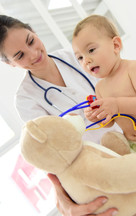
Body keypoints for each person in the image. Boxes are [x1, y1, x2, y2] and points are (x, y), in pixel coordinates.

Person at [0, 15, 119, 216]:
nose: (33, 54)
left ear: (35, 32)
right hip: (94, 166)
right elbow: (54, 152)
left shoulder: (76, 57)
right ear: (10, 64)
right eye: (20, 56)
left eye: (31, 41)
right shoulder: (26, 100)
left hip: (127, 135)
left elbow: (119, 84)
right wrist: (62, 195)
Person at [72, 14, 136, 215]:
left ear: (116, 45)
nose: (87, 60)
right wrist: (99, 117)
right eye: (80, 57)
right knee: (123, 177)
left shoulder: (132, 68)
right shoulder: (100, 87)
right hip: (134, 146)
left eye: (91, 50)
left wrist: (117, 104)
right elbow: (111, 121)